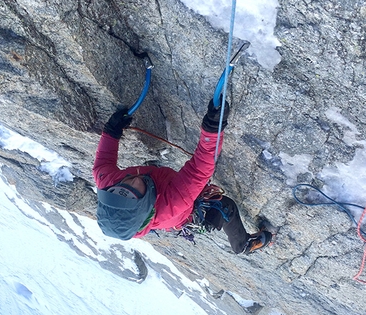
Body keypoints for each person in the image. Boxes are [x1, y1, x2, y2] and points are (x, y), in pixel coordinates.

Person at [93, 99, 272, 254]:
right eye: (132, 191)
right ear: (143, 204)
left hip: (162, 189)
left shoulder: (109, 184)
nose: (130, 181)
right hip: (187, 214)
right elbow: (200, 169)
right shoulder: (172, 204)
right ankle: (243, 246)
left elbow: (102, 164)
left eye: (119, 188)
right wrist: (211, 129)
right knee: (226, 207)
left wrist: (111, 132)